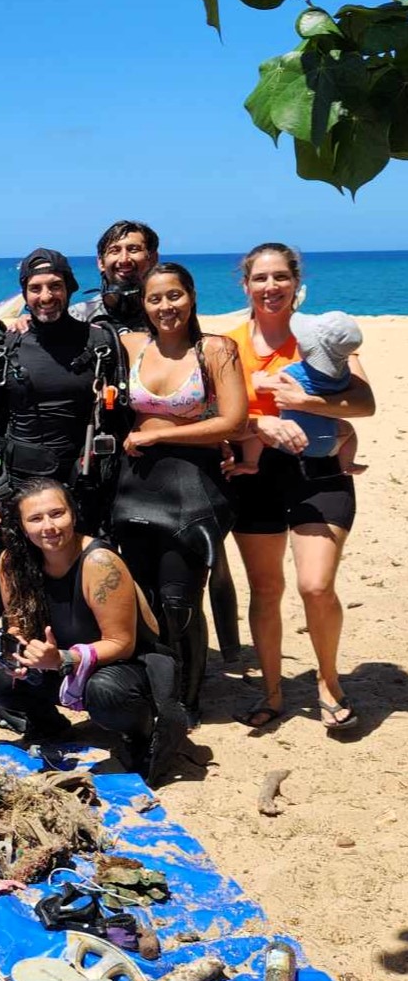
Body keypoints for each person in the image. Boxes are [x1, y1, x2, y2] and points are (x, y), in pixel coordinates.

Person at [224, 243, 373, 732]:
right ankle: (271, 693)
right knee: (265, 589)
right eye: (260, 279)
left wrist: (308, 400)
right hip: (255, 478)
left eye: (280, 278)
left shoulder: (319, 337)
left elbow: (364, 403)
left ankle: (329, 682)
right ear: (245, 285)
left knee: (315, 584)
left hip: (320, 475)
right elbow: (215, 416)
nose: (271, 287)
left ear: (295, 283)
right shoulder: (228, 344)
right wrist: (260, 426)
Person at [0, 478, 187, 785]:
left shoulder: (99, 562)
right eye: (35, 518)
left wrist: (64, 658)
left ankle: (140, 733)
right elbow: (17, 622)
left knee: (105, 691)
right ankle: (47, 724)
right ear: (21, 525)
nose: (49, 526)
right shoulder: (12, 561)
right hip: (55, 659)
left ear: (73, 513)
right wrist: (17, 653)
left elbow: (122, 643)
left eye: (57, 514)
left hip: (125, 664)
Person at [108, 262, 244, 717]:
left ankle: (186, 698)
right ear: (142, 304)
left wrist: (160, 434)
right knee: (143, 595)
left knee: (179, 598)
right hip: (138, 485)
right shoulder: (130, 346)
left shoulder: (216, 350)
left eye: (174, 296)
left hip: (194, 486)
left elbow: (233, 421)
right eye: (155, 298)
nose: (166, 306)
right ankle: (155, 686)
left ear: (191, 296)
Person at [0, 249, 99, 530]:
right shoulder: (5, 347)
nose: (46, 296)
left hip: (85, 484)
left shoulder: (100, 343)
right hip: (20, 484)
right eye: (35, 288)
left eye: (55, 286)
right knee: (15, 569)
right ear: (25, 295)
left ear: (70, 289)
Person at [233, 310, 365, 475]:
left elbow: (271, 385)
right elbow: (356, 395)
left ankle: (250, 462)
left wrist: (259, 383)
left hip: (287, 439)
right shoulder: (342, 375)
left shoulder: (294, 372)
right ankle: (347, 464)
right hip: (328, 442)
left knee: (256, 435)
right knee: (349, 430)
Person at [71, 220, 161, 329]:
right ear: (101, 263)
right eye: (115, 251)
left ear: (153, 259)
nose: (124, 259)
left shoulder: (167, 312)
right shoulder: (78, 317)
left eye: (133, 249)